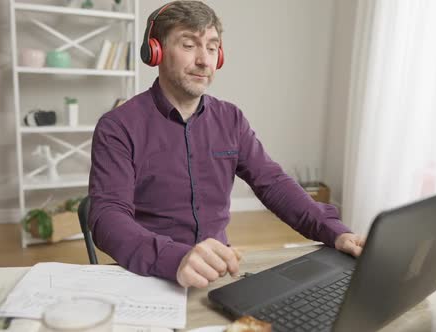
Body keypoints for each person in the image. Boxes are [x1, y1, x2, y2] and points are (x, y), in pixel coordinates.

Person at [89, 0, 364, 289]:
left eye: (211, 47)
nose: (204, 61)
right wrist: (176, 258)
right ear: (156, 51)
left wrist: (335, 232)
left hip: (218, 273)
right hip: (148, 275)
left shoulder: (231, 118)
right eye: (188, 45)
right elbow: (107, 217)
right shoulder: (117, 126)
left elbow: (273, 183)